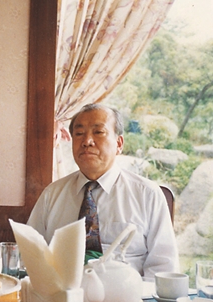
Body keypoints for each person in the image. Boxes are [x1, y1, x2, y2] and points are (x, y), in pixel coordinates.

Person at [27, 103, 179, 280]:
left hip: (126, 300)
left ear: (119, 143)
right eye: (79, 133)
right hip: (61, 299)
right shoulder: (52, 194)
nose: (87, 141)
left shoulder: (147, 195)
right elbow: (31, 255)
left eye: (98, 132)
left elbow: (163, 269)